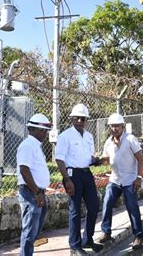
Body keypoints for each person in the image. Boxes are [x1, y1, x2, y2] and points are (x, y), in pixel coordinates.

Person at [56, 103, 103, 256]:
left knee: (94, 206)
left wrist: (96, 160)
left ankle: (87, 239)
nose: (80, 121)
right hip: (72, 176)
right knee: (75, 210)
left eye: (83, 119)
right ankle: (75, 246)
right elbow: (59, 160)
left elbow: (88, 157)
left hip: (86, 173)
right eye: (77, 118)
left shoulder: (89, 136)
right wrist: (67, 179)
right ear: (72, 119)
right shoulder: (65, 136)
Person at [98, 113, 143, 250]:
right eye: (112, 126)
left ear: (123, 126)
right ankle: (106, 232)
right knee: (107, 201)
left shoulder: (131, 139)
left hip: (130, 179)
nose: (115, 128)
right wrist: (99, 160)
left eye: (117, 126)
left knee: (132, 207)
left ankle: (138, 236)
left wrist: (138, 177)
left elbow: (140, 159)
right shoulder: (108, 142)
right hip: (115, 179)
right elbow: (107, 159)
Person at [17, 113, 53, 256]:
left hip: (37, 192)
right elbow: (24, 170)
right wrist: (37, 193)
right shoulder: (27, 145)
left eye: (46, 130)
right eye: (42, 130)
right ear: (32, 129)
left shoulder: (36, 146)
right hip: (30, 192)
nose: (45, 133)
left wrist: (40, 192)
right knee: (30, 229)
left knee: (34, 229)